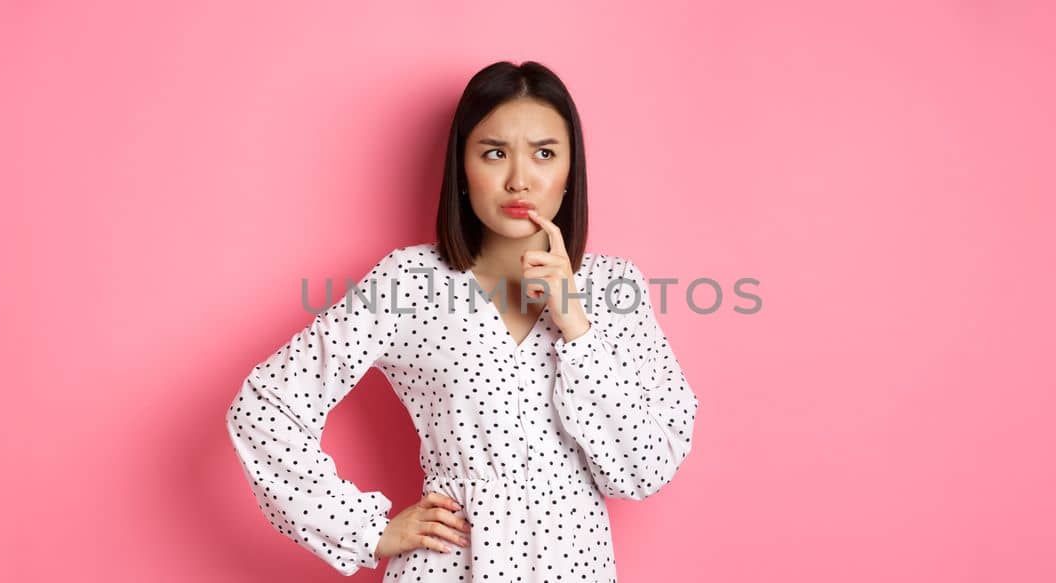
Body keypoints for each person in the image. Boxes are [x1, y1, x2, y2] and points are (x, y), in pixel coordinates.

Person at [225, 60, 700, 581]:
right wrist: (365, 529)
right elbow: (266, 405)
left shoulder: (613, 287)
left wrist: (575, 324)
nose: (520, 180)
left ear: (570, 173)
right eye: (495, 153)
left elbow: (645, 469)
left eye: (544, 153)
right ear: (463, 169)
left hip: (575, 566)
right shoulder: (406, 282)